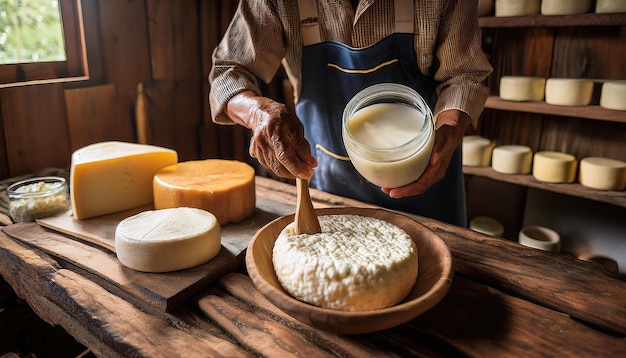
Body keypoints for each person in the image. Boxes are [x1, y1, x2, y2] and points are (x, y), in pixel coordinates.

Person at [209, 0, 492, 227]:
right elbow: (229, 73)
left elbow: (464, 76)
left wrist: (448, 131)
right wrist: (259, 113)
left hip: (425, 182)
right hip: (330, 190)